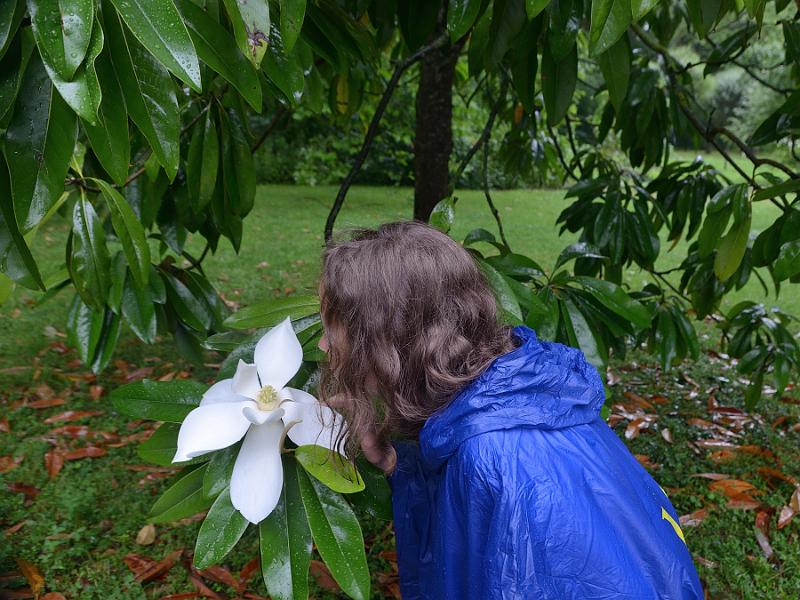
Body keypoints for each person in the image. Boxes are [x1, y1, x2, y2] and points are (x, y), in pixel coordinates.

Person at [316, 220, 704, 599]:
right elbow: (462, 539)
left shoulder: (497, 456)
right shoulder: (508, 394)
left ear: (390, 342)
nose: (322, 346)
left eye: (332, 328)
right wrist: (394, 463)